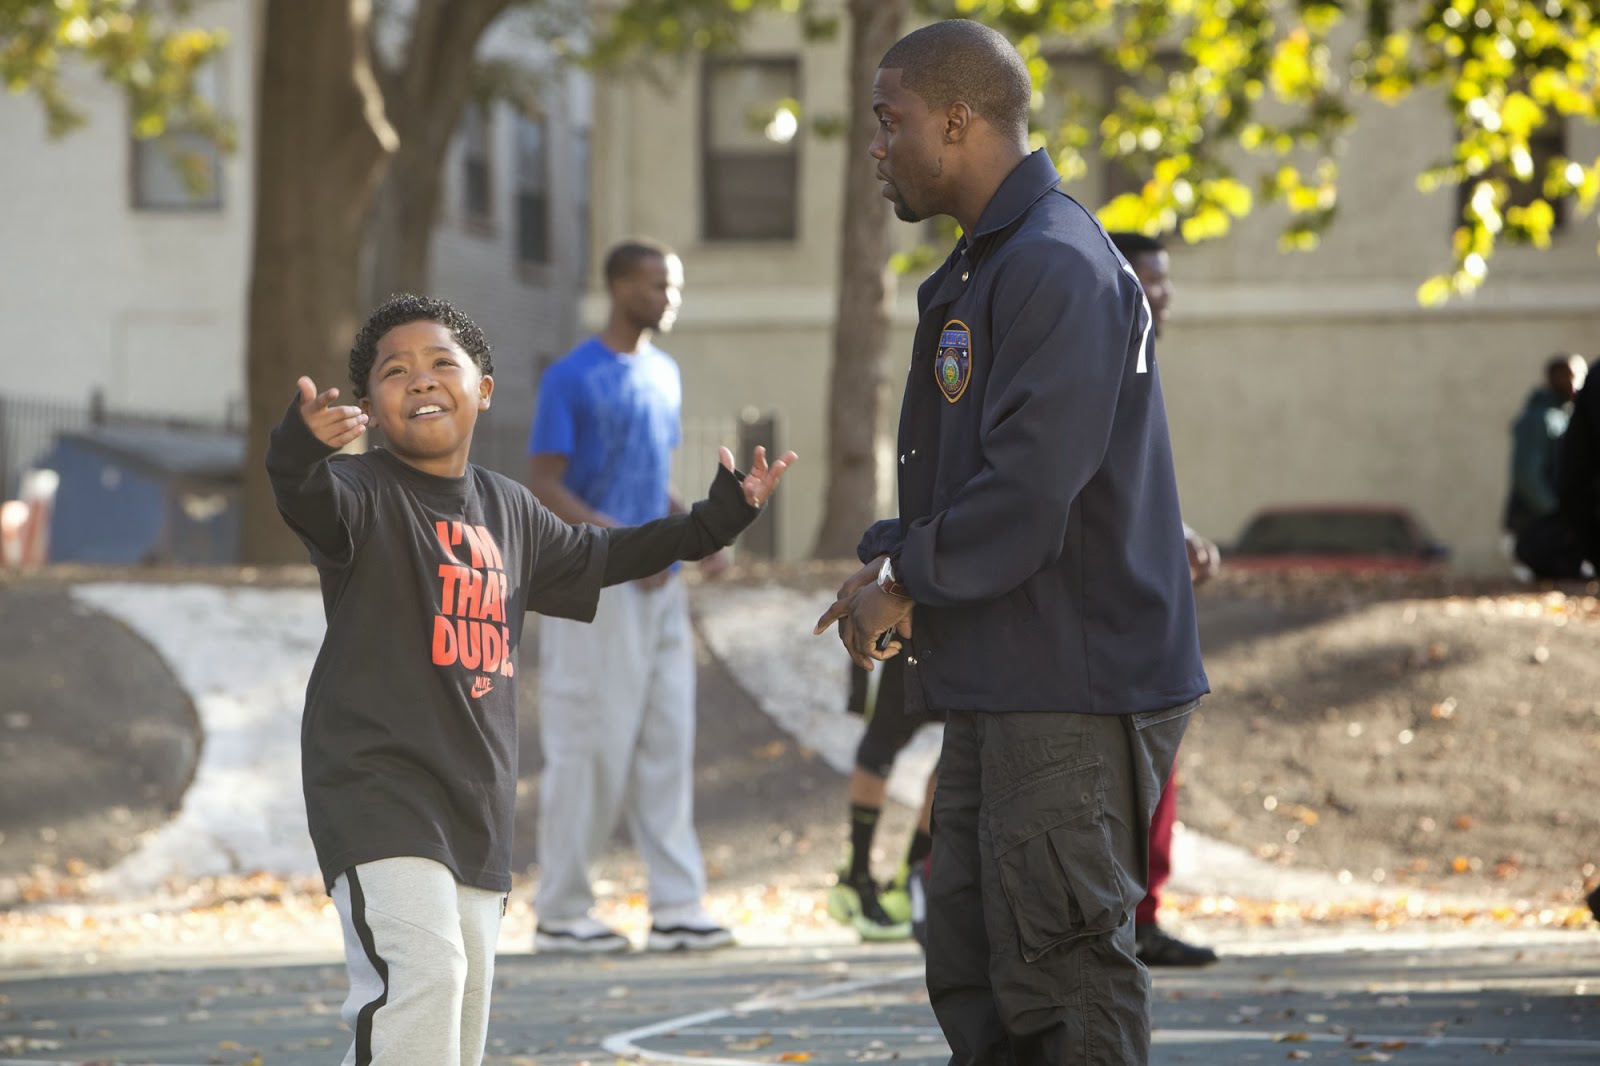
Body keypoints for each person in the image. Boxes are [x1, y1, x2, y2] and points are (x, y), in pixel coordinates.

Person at [814, 20, 1207, 1064]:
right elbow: (973, 474)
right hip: (1007, 674)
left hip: (1072, 684)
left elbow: (1029, 496)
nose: (876, 145)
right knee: (977, 969)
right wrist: (890, 553)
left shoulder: (1055, 263)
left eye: (888, 121)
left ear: (957, 120)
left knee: (1059, 978)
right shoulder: (985, 266)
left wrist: (906, 574)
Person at [267, 293, 792, 1065]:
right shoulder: (360, 495)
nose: (420, 380)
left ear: (483, 388)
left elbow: (606, 556)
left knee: (456, 1015)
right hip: (376, 789)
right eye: (395, 371)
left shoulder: (509, 509)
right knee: (424, 979)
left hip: (475, 800)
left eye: (442, 363)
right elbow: (301, 493)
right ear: (372, 409)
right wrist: (297, 447)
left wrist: (713, 523)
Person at [527, 239, 735, 954]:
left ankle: (677, 905)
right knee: (590, 745)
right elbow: (546, 484)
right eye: (656, 285)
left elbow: (651, 478)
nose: (668, 297)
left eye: (673, 286)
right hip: (595, 586)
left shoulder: (664, 374)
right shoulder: (570, 377)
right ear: (618, 287)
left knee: (666, 743)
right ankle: (560, 911)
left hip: (662, 587)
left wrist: (695, 534)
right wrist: (626, 544)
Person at [1109, 230, 1220, 968]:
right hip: (1109, 608)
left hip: (1152, 604)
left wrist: (1177, 530)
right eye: (1150, 280)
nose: (1162, 293)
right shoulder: (1095, 357)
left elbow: (1138, 477)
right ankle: (1117, 924)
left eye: (1166, 281)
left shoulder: (1141, 360)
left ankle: (1142, 917)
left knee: (1158, 768)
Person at [828, 652, 940, 941]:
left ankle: (912, 879)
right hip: (922, 623)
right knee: (885, 737)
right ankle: (856, 876)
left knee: (963, 746)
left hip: (979, 628)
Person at [1505, 353, 1587, 577]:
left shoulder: (1563, 416)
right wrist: (1558, 513)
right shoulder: (1540, 419)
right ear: (1557, 377)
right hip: (1540, 527)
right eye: (1575, 375)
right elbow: (1526, 473)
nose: (1579, 383)